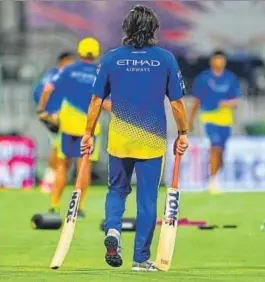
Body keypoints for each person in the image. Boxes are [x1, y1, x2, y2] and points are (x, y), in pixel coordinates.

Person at [81, 5, 189, 271]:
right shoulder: (165, 59)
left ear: (126, 29)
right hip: (151, 141)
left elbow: (96, 100)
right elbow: (176, 103)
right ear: (154, 29)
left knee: (117, 190)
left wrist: (88, 132)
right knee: (147, 199)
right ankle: (141, 259)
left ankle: (114, 231)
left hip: (119, 138)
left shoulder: (111, 58)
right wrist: (183, 133)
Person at [38, 37, 111, 218]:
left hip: (68, 125)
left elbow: (47, 88)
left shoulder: (68, 69)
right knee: (83, 167)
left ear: (79, 52)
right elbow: (106, 104)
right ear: (96, 54)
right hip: (89, 128)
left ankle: (54, 206)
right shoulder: (101, 73)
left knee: (62, 166)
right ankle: (78, 208)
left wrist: (42, 110)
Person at [189, 50, 241, 194]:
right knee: (215, 147)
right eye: (216, 60)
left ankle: (216, 176)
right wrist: (190, 120)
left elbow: (236, 100)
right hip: (209, 116)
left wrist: (227, 103)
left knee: (222, 151)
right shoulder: (204, 78)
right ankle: (212, 182)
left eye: (221, 60)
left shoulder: (230, 78)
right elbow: (196, 100)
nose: (219, 62)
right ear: (212, 61)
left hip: (225, 118)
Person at [33, 52, 74, 193]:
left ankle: (53, 178)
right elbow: (39, 92)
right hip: (55, 115)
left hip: (67, 116)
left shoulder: (69, 75)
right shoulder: (53, 75)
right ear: (62, 62)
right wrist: (46, 111)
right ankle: (50, 179)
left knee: (62, 148)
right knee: (58, 146)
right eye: (69, 62)